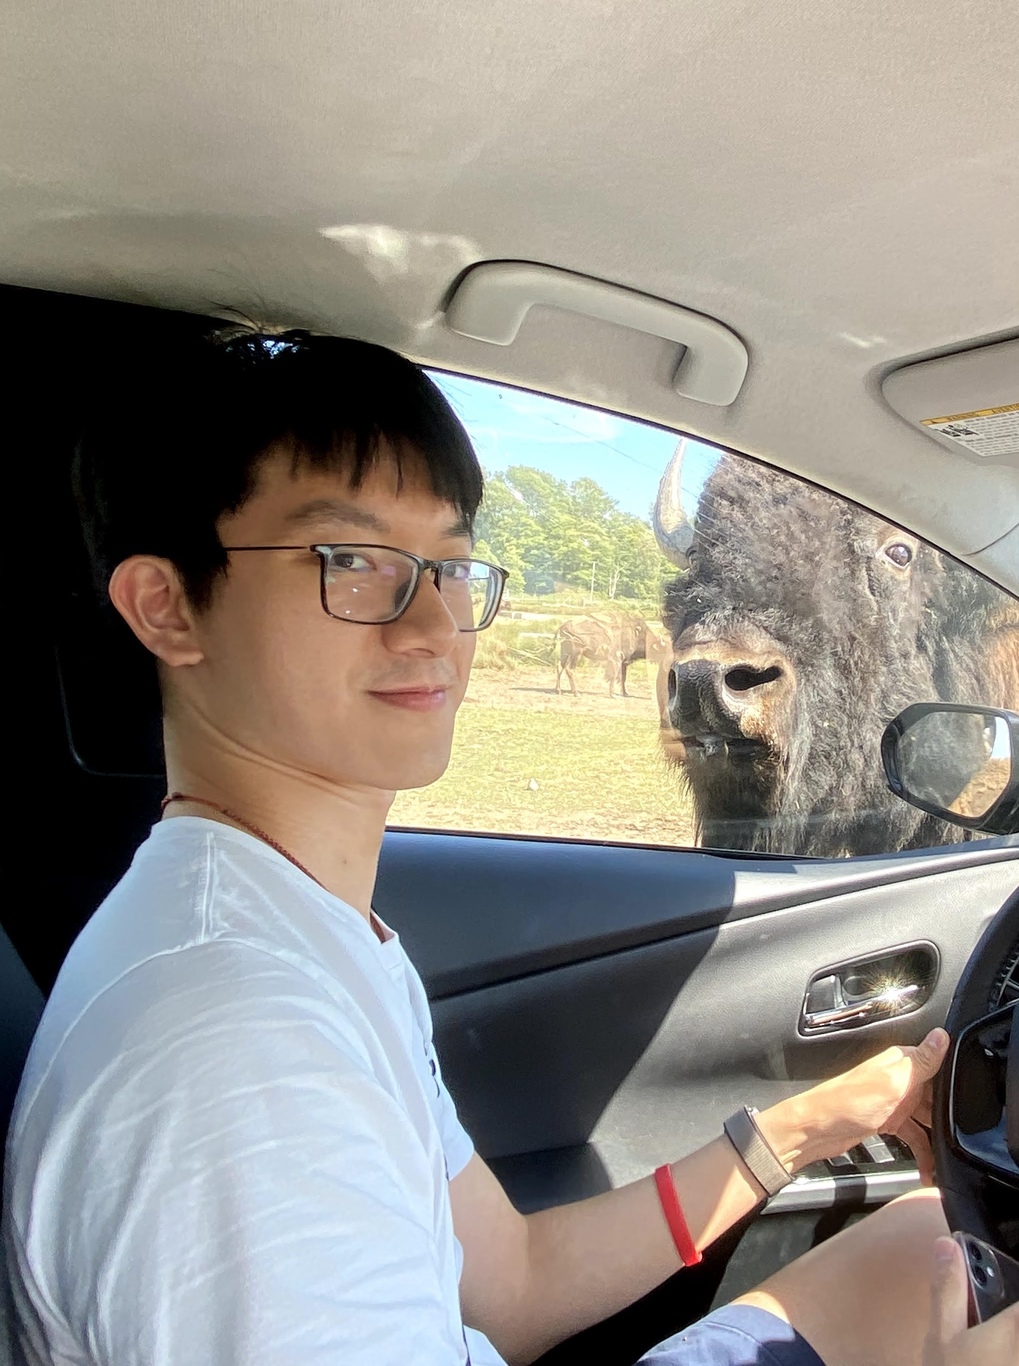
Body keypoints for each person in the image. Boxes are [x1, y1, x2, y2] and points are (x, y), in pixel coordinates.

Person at [3, 330, 1015, 1366]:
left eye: (446, 561)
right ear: (166, 608)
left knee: (928, 1246)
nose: (432, 621)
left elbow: (514, 1285)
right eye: (350, 561)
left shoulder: (312, 933)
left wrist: (804, 1127)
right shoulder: (233, 1055)